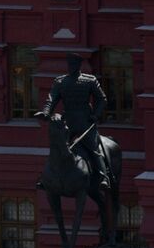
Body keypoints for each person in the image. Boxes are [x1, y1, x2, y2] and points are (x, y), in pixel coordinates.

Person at [38, 52, 111, 190]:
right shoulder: (60, 81)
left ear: (79, 65)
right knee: (57, 146)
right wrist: (46, 112)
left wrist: (96, 115)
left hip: (85, 121)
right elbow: (51, 99)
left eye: (74, 64)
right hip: (68, 122)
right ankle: (46, 178)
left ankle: (103, 177)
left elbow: (102, 99)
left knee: (94, 150)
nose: (71, 67)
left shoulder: (90, 80)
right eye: (70, 64)